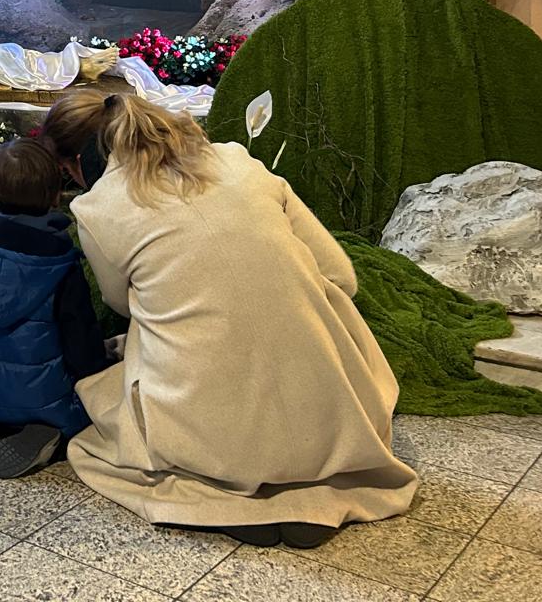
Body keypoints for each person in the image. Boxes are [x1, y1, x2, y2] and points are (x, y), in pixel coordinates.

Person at [67, 93, 417, 548]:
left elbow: (121, 304)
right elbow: (342, 277)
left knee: (117, 377)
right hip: (329, 418)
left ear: (85, 161)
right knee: (322, 296)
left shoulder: (97, 208)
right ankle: (315, 478)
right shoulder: (239, 160)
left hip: (202, 425)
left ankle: (223, 489)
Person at [0, 136, 111, 479]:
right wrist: (97, 385)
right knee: (86, 405)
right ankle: (49, 431)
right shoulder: (59, 264)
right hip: (43, 402)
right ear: (54, 197)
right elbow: (80, 340)